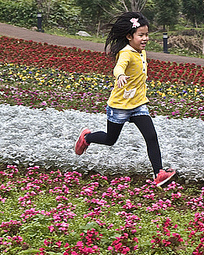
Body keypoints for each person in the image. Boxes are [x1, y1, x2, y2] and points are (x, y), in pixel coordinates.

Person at [74, 11, 177, 188]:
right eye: (141, 35)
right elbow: (118, 67)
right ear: (129, 36)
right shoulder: (126, 53)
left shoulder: (141, 52)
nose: (145, 39)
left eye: (147, 35)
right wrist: (120, 74)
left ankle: (159, 173)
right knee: (110, 139)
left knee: (151, 136)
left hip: (138, 104)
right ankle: (87, 137)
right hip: (120, 106)